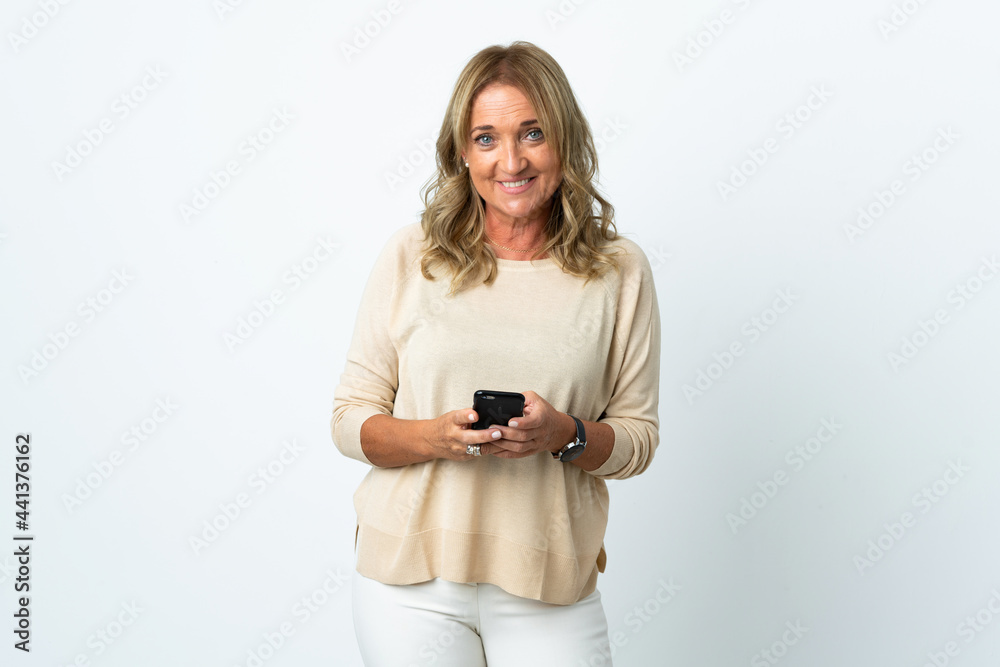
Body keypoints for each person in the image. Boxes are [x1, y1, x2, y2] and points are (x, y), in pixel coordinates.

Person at [331, 40, 660, 666]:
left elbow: (638, 440)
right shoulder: (411, 255)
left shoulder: (619, 271)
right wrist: (434, 437)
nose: (511, 161)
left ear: (565, 139)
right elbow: (349, 421)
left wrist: (562, 434)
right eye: (486, 138)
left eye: (533, 133)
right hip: (407, 585)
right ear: (462, 151)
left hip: (549, 582)